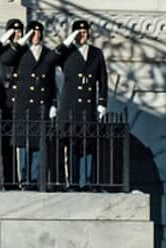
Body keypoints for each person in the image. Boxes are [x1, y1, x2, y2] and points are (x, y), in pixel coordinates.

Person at [3, 21, 61, 189]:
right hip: (24, 105)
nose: (36, 36)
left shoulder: (48, 53)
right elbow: (6, 60)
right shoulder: (20, 52)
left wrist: (54, 103)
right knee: (23, 143)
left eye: (38, 33)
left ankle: (35, 178)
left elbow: (52, 81)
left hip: (42, 104)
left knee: (39, 143)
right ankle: (25, 179)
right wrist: (21, 41)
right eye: (32, 33)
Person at [55, 20, 109, 190]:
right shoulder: (67, 53)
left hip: (88, 106)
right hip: (70, 106)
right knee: (71, 144)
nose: (82, 35)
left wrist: (102, 102)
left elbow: (103, 79)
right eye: (78, 33)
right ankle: (74, 181)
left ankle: (87, 181)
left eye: (84, 32)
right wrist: (68, 41)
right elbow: (53, 58)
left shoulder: (96, 53)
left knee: (88, 143)